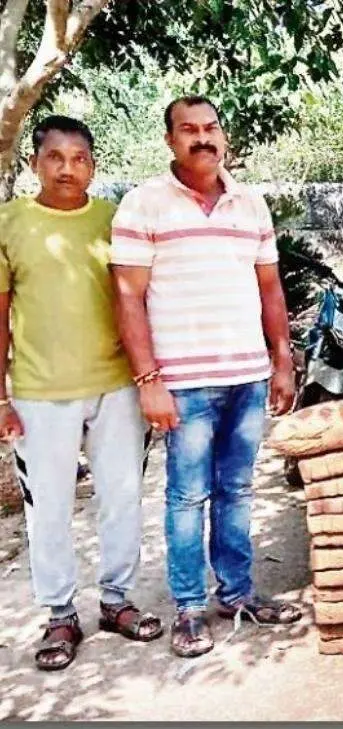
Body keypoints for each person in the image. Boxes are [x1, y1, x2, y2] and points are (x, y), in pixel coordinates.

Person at [109, 96, 300, 659]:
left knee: (236, 491)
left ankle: (237, 594)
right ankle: (190, 608)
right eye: (188, 130)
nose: (202, 138)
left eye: (211, 127)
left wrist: (281, 360)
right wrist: (148, 379)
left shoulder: (251, 204)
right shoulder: (143, 205)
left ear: (224, 136)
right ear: (169, 140)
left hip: (246, 376)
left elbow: (270, 288)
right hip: (184, 383)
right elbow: (127, 297)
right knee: (187, 496)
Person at [0, 116, 161, 671]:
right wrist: (1, 396)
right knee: (49, 508)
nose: (67, 168)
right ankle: (60, 615)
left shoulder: (114, 222)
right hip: (40, 394)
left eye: (79, 158)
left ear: (93, 164)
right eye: (55, 157)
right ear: (34, 163)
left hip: (117, 387)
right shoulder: (10, 223)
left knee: (122, 499)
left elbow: (140, 301)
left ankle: (116, 601)